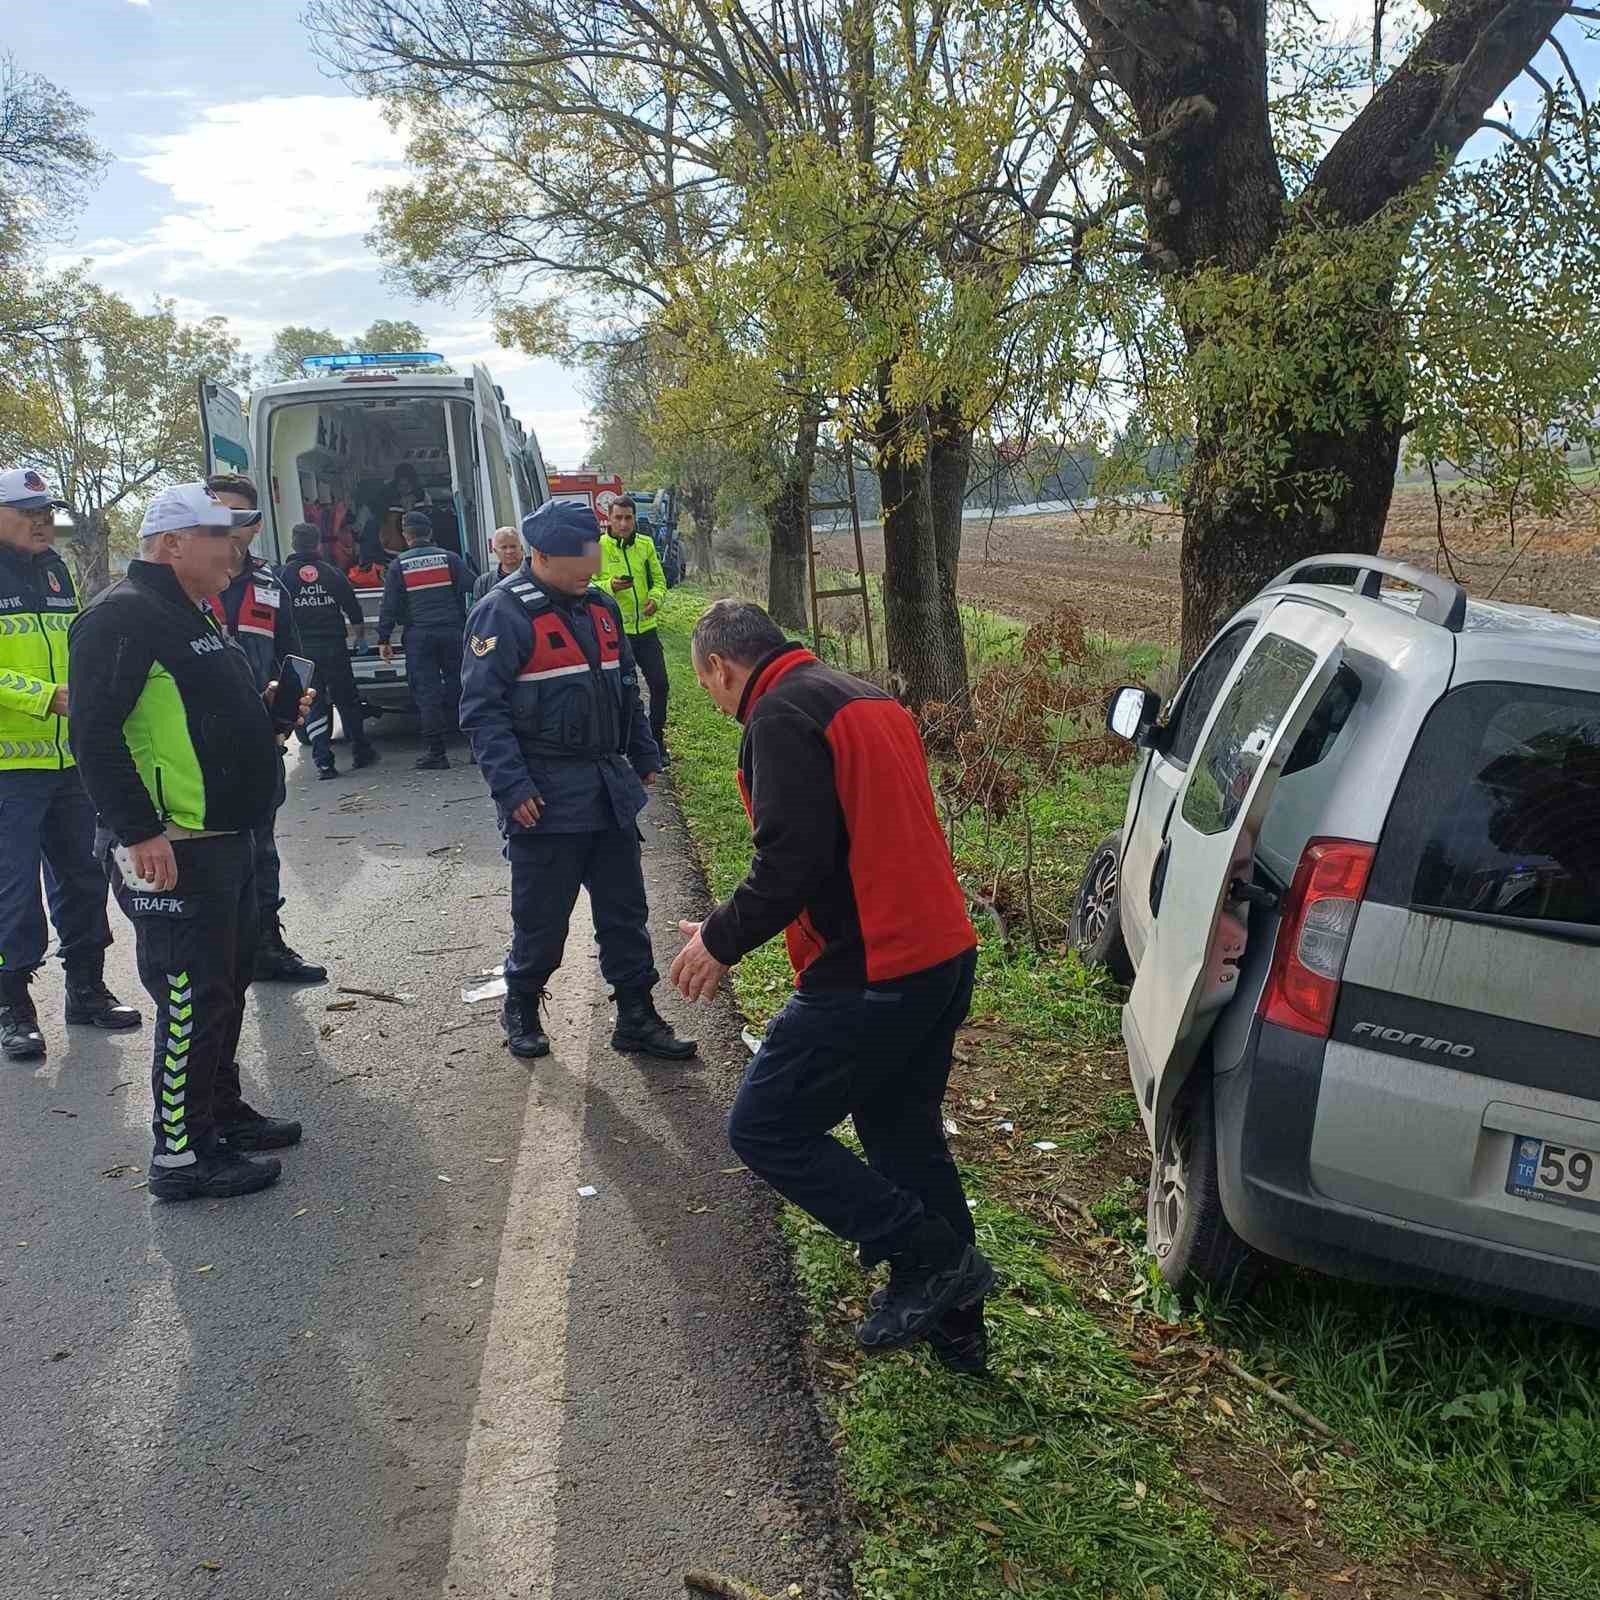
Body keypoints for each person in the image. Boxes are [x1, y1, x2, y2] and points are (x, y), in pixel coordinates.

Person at [670, 600, 992, 1371]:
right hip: (942, 952)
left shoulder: (777, 718)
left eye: (707, 685)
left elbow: (792, 862)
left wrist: (720, 939)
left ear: (721, 666)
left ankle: (927, 1254)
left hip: (872, 968)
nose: (715, 702)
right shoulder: (862, 694)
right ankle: (958, 1329)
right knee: (902, 1135)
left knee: (764, 1127)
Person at [69, 482, 306, 1201]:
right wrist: (141, 832)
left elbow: (193, 713)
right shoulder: (121, 617)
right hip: (174, 844)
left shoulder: (191, 610)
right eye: (217, 535)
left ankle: (219, 1112)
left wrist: (267, 716)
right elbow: (95, 732)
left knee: (226, 987)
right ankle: (179, 1155)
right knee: (189, 996)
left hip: (226, 836)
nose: (234, 548)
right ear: (172, 544)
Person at [460, 499, 694, 1065]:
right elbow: (481, 712)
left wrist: (643, 753)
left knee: (625, 911)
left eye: (593, 550)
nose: (592, 562)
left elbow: (624, 689)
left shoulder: (601, 608)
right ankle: (520, 1003)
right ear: (542, 555)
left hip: (605, 786)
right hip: (543, 795)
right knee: (541, 917)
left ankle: (636, 1013)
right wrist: (513, 789)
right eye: (581, 554)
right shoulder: (502, 614)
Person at [0, 469, 141, 1060]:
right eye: (26, 511)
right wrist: (42, 696)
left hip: (70, 760)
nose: (41, 521)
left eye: (45, 510)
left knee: (84, 878)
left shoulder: (57, 570)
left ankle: (86, 989)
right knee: (12, 892)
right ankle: (14, 1007)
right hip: (9, 769)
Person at [205, 474, 326, 984]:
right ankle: (215, 953)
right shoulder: (174, 586)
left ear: (254, 525)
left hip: (258, 744)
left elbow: (291, 657)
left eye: (239, 517)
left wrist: (288, 713)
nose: (228, 528)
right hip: (194, 748)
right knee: (206, 857)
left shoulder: (271, 587)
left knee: (262, 846)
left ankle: (264, 944)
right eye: (217, 516)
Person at [278, 523, 378, 779]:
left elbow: (274, 615)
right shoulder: (331, 574)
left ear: (293, 544)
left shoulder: (282, 577)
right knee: (347, 700)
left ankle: (324, 762)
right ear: (318, 544)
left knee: (314, 704)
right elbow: (352, 608)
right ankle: (361, 751)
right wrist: (360, 637)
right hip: (333, 647)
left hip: (302, 651)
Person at [378, 509, 473, 770]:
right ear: (430, 533)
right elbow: (473, 586)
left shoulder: (399, 565)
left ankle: (436, 753)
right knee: (464, 687)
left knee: (427, 693)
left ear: (406, 535)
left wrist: (384, 638)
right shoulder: (450, 559)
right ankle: (476, 748)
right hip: (453, 631)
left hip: (420, 636)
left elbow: (390, 604)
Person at [598, 498, 671, 760]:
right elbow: (588, 585)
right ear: (608, 517)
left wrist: (656, 599)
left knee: (660, 685)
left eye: (628, 518)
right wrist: (610, 586)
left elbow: (660, 581)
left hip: (647, 630)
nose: (623, 523)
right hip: (617, 633)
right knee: (623, 691)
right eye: (618, 518)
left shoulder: (646, 544)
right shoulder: (598, 547)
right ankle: (625, 744)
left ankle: (656, 741)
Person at [471, 526, 524, 605]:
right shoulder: (483, 583)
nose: (509, 551)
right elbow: (478, 614)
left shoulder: (536, 577)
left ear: (521, 548)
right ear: (495, 551)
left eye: (513, 546)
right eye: (504, 547)